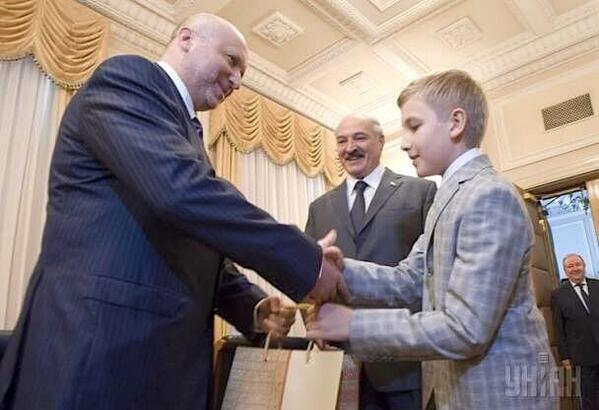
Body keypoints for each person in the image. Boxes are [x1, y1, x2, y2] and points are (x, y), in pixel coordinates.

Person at [0, 14, 346, 410]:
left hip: (153, 365)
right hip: (97, 356)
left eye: (242, 73)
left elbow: (187, 239)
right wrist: (306, 262)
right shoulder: (129, 79)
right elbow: (181, 192)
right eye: (232, 60)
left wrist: (251, 306)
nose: (237, 81)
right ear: (186, 39)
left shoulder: (185, 132)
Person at [307, 70, 557, 409]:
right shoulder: (450, 196)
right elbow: (411, 278)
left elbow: (465, 328)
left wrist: (354, 324)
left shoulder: (488, 196)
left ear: (455, 123)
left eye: (414, 126)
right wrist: (341, 270)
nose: (404, 143)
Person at [305, 114, 436, 410]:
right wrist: (313, 320)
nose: (350, 147)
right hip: (340, 362)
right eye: (342, 141)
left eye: (359, 138)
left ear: (380, 141)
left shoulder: (421, 192)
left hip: (402, 361)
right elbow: (310, 275)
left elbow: (430, 273)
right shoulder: (318, 208)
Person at [552, 253, 599, 410]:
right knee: (589, 396)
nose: (575, 269)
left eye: (577, 264)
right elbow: (558, 328)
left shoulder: (597, 285)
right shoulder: (558, 295)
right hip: (581, 355)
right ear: (565, 270)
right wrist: (564, 356)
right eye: (570, 266)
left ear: (584, 266)